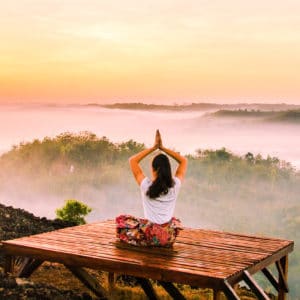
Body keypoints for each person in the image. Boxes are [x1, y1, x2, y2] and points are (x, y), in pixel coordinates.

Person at [116, 130, 187, 247]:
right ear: (168, 170)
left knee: (121, 220)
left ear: (153, 170)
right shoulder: (175, 186)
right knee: (172, 221)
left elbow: (132, 161)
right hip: (167, 238)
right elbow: (183, 161)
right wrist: (163, 148)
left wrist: (154, 147)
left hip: (149, 237)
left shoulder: (146, 185)